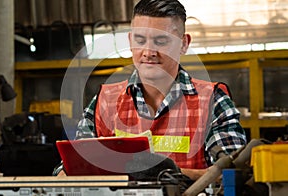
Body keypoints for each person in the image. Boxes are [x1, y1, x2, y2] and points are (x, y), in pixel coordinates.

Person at [55, 0, 247, 180]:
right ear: (130, 41)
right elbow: (72, 168)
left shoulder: (213, 101)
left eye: (161, 41)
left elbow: (232, 175)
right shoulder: (105, 101)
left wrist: (169, 174)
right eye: (140, 40)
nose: (148, 52)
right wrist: (66, 174)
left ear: (184, 44)